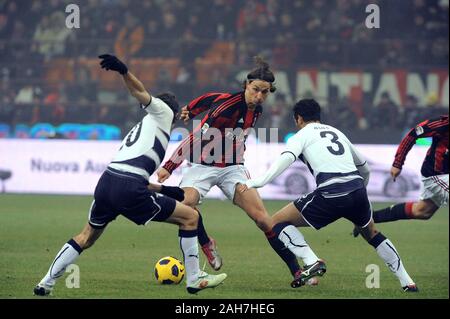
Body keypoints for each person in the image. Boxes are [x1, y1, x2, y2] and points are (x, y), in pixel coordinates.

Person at [33, 54, 227, 296]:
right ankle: (194, 278)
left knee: (86, 237)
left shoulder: (144, 126)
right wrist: (124, 71)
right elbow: (140, 92)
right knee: (190, 217)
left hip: (107, 183)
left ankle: (45, 283)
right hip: (128, 187)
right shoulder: (162, 113)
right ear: (174, 112)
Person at [240, 99, 418, 292]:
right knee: (372, 234)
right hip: (358, 190)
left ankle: (311, 260)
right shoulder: (337, 132)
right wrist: (361, 196)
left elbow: (286, 159)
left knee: (275, 223)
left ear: (298, 118)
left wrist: (258, 182)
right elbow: (365, 168)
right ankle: (408, 282)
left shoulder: (302, 135)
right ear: (318, 116)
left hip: (331, 192)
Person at [157, 56, 302, 280]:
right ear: (246, 85)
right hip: (201, 166)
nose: (260, 96)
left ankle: (297, 270)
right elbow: (197, 135)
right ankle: (206, 242)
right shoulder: (226, 109)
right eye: (255, 90)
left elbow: (211, 97)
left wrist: (191, 108)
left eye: (265, 92)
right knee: (185, 206)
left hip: (233, 168)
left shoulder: (257, 108)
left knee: (263, 220)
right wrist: (169, 165)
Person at [354, 115, 448, 230]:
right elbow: (413, 134)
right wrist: (397, 163)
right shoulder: (443, 124)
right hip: (436, 175)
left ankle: (368, 219)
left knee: (422, 211)